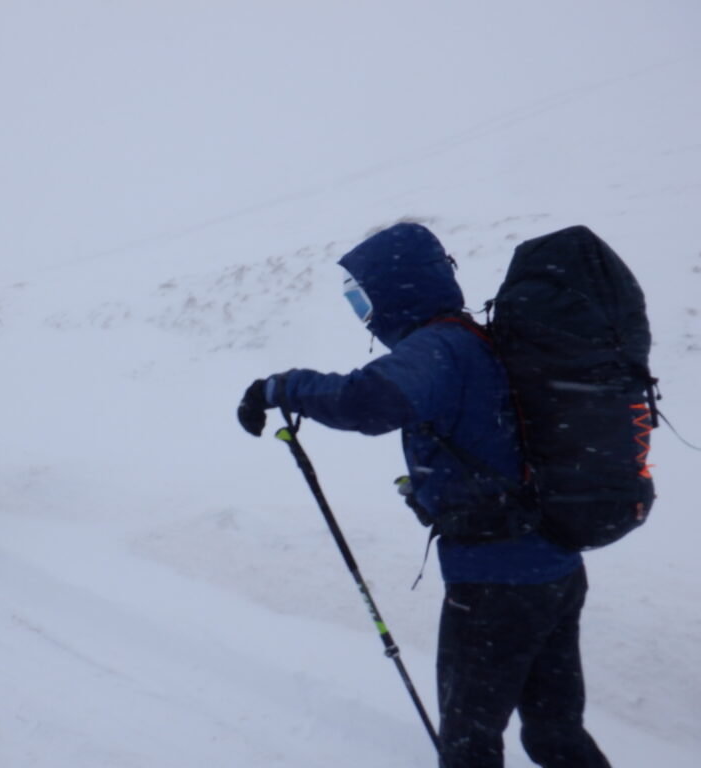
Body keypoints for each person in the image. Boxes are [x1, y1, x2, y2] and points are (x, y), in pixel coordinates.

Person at [237, 223, 611, 768]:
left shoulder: (440, 345)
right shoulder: (476, 340)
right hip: (552, 569)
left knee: (468, 744)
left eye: (362, 296)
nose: (363, 312)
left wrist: (280, 387)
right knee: (555, 732)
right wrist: (438, 491)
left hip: (494, 584)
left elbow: (366, 401)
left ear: (396, 287)